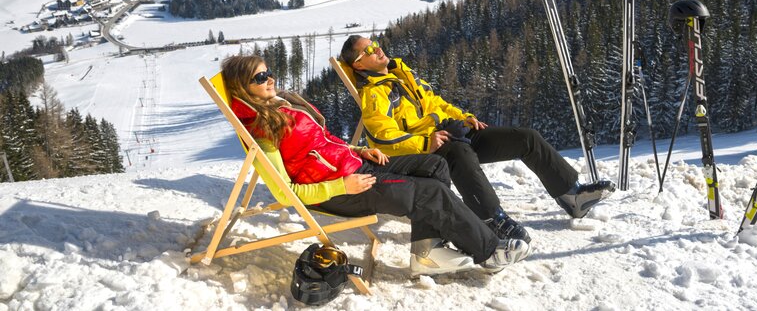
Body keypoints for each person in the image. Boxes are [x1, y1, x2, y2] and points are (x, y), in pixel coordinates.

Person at [220, 55, 529, 277]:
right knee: (430, 194)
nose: (270, 78)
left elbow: (323, 142)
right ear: (242, 88)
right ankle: (489, 252)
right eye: (260, 77)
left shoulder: (280, 109)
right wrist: (343, 186)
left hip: (355, 167)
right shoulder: (262, 132)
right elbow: (285, 193)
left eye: (269, 72)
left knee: (435, 166)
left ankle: (427, 249)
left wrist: (358, 150)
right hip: (342, 190)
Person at [339, 36, 615, 244]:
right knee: (460, 153)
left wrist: (465, 116)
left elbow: (435, 102)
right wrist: (424, 143)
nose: (378, 49)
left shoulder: (400, 73)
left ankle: (572, 195)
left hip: (452, 130)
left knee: (526, 138)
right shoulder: (374, 95)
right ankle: (492, 219)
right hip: (429, 145)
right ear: (358, 64)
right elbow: (381, 137)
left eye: (375, 43)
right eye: (369, 50)